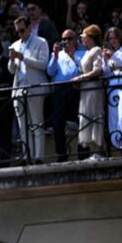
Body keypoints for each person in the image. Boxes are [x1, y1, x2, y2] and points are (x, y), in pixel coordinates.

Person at [8, 16, 50, 163]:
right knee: (23, 127)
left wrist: (23, 57)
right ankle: (27, 156)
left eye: (22, 30)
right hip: (19, 87)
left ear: (30, 28)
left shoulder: (41, 42)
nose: (20, 34)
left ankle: (39, 157)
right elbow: (12, 70)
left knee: (37, 124)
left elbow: (44, 64)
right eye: (17, 31)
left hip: (35, 86)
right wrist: (13, 59)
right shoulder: (15, 44)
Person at [47, 29, 87, 161]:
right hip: (59, 89)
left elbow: (82, 69)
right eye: (64, 39)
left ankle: (83, 152)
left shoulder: (82, 53)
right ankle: (61, 155)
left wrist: (73, 56)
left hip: (75, 88)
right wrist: (55, 56)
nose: (66, 42)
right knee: (58, 123)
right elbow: (50, 71)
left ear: (75, 40)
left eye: (69, 39)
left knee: (81, 120)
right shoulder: (57, 55)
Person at [72, 25, 106, 160]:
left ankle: (98, 152)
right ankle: (93, 152)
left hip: (93, 88)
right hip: (85, 89)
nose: (82, 38)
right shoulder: (87, 52)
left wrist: (81, 78)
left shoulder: (96, 50)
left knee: (94, 115)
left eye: (84, 36)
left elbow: (98, 70)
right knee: (86, 117)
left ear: (90, 36)